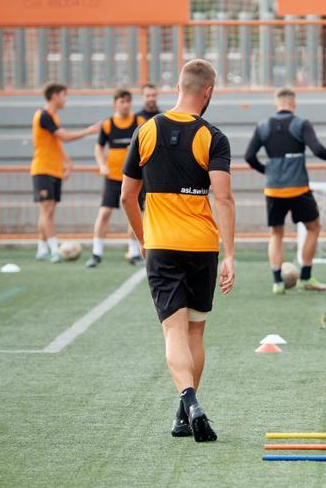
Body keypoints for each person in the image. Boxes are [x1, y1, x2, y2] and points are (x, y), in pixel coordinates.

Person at [121, 59, 235, 442]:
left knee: (173, 331)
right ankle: (185, 412)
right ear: (208, 92)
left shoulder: (146, 130)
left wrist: (143, 238)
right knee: (196, 334)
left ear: (178, 86)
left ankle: (188, 401)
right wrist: (230, 254)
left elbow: (126, 196)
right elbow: (224, 199)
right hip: (202, 247)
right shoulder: (213, 137)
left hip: (163, 247)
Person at [244, 88, 326, 295]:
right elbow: (317, 150)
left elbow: (249, 156)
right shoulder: (301, 123)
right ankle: (306, 277)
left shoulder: (263, 125)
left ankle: (277, 282)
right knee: (313, 227)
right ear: (293, 103)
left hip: (273, 189)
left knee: (276, 234)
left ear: (277, 103)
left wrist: (268, 171)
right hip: (298, 188)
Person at [31, 82, 100, 262]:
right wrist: (89, 131)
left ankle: (42, 248)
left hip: (53, 169)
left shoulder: (53, 117)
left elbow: (56, 144)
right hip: (43, 168)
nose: (65, 99)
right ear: (54, 96)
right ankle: (54, 249)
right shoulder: (44, 115)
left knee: (48, 210)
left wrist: (67, 163)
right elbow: (65, 137)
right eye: (63, 95)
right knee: (47, 208)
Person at [85, 89, 146, 268]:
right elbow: (98, 147)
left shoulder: (139, 122)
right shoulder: (108, 125)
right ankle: (96, 253)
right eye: (122, 101)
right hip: (112, 177)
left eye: (128, 101)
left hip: (134, 177)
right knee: (104, 213)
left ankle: (134, 252)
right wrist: (102, 165)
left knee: (135, 214)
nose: (125, 104)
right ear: (115, 103)